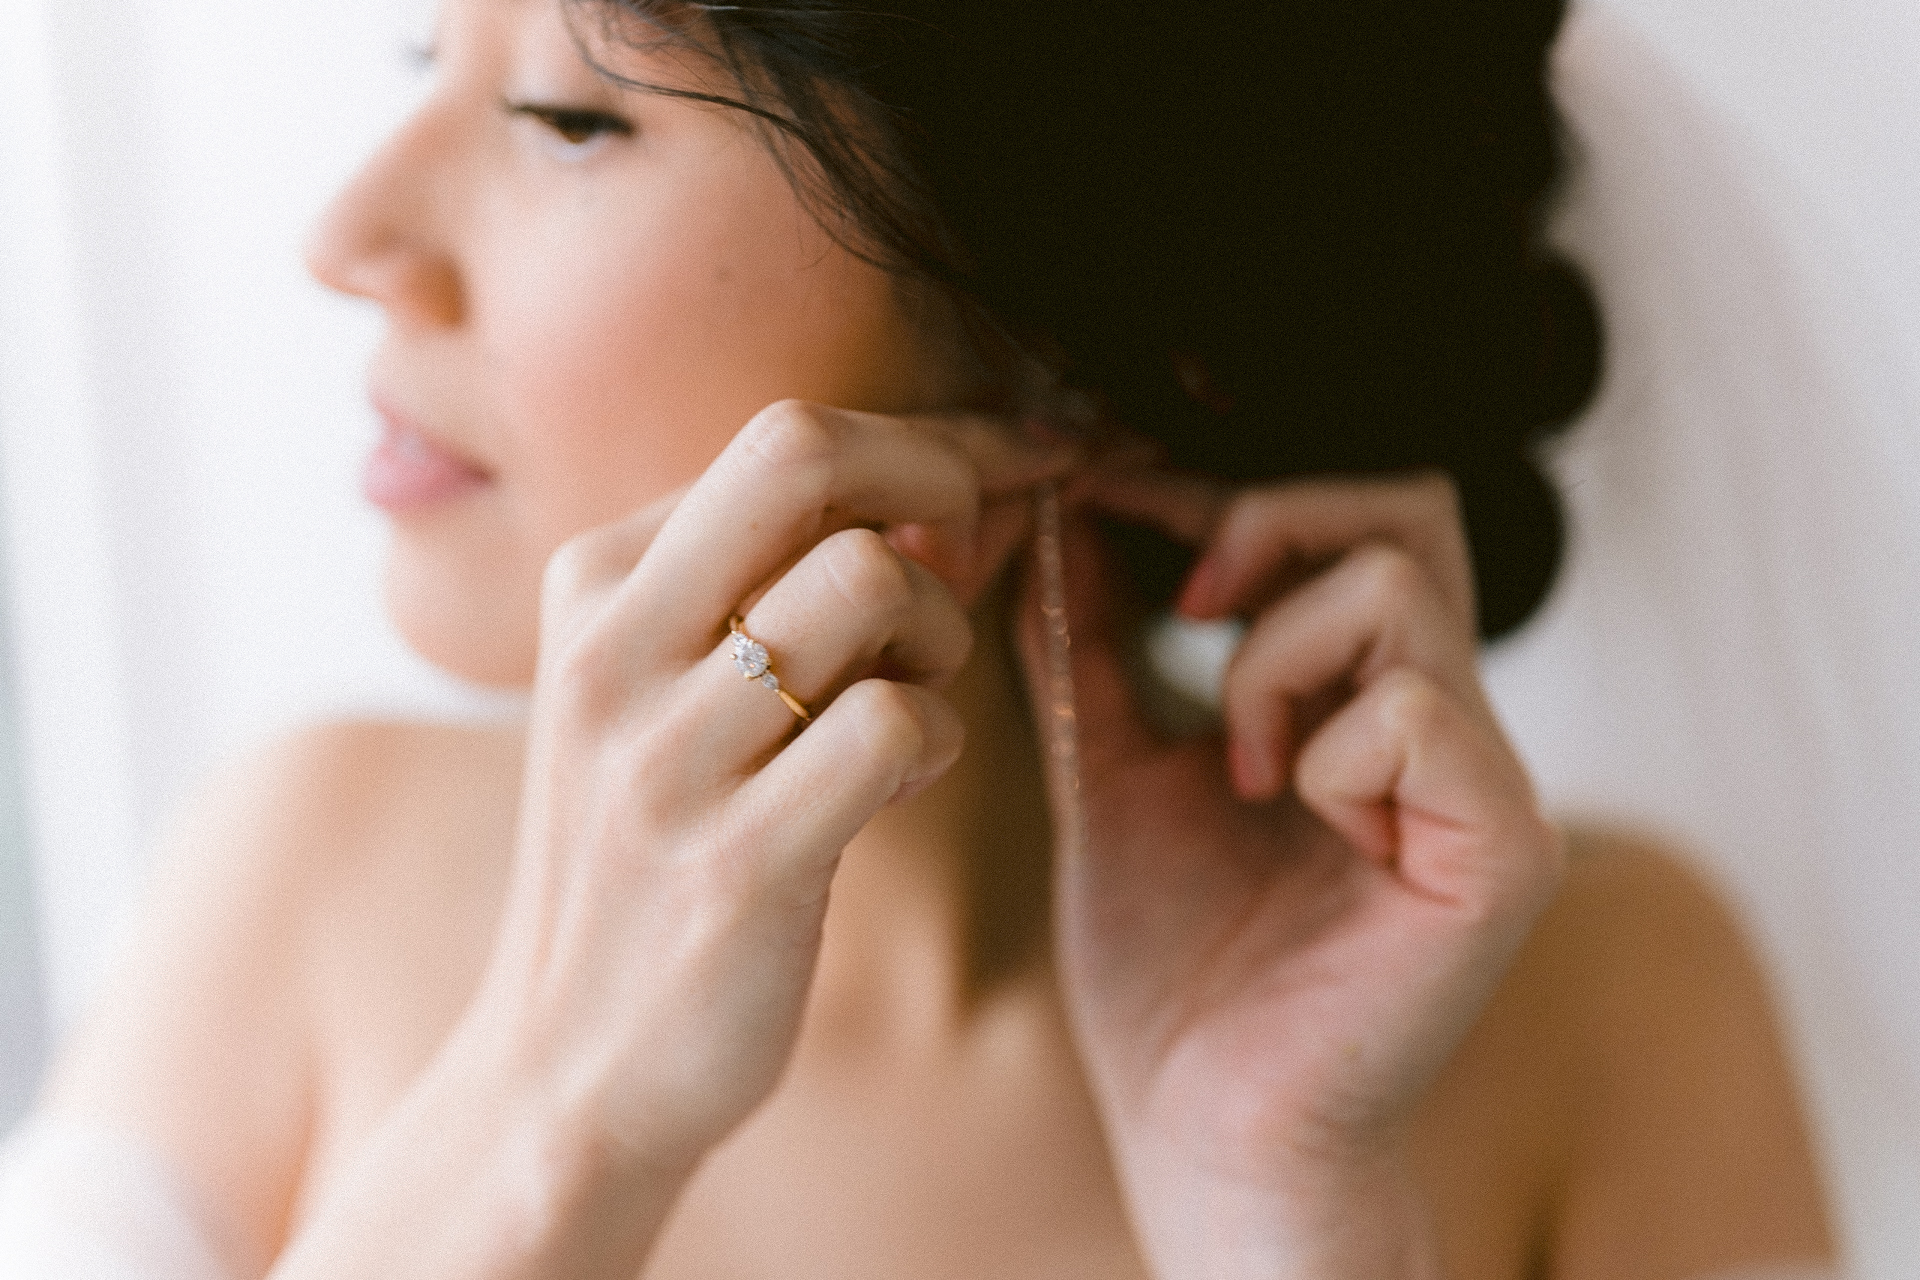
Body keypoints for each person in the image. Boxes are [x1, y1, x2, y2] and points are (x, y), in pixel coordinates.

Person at [1, 0, 1837, 1276]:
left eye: (570, 115)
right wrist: (551, 1114)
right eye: (427, 58)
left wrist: (1277, 1213)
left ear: (1074, 335)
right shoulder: (302, 874)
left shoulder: (1601, 1003)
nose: (347, 236)